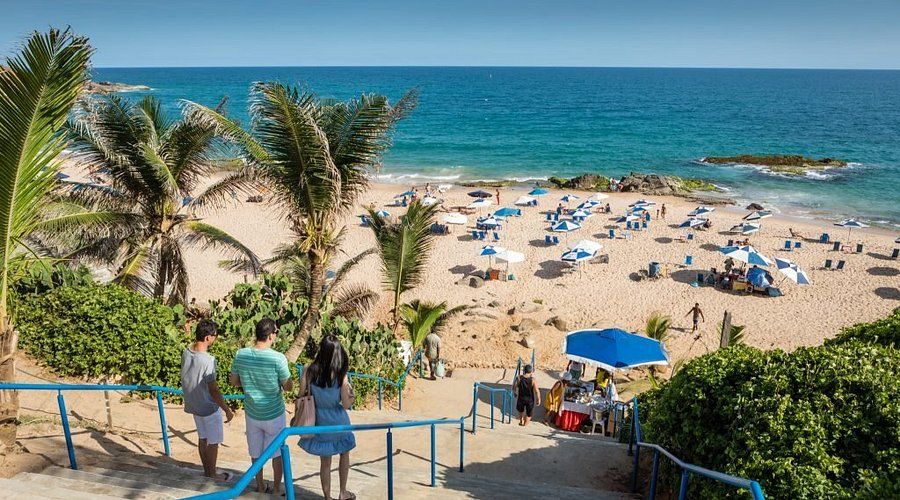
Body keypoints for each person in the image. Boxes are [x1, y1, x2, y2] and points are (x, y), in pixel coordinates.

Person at [230, 319, 293, 495]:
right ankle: (276, 489)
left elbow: (234, 381)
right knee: (277, 453)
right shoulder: (278, 358)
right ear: (271, 335)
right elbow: (288, 386)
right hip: (274, 412)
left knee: (256, 452)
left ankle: (259, 486)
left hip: (252, 411)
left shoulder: (240, 354)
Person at [298, 335, 357, 500]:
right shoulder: (340, 374)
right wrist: (351, 394)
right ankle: (343, 492)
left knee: (325, 461)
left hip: (318, 420)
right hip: (338, 420)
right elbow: (346, 404)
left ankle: (327, 496)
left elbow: (300, 394)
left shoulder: (308, 369)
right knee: (344, 453)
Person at [180, 320, 234, 481]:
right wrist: (226, 409)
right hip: (208, 406)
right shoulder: (208, 360)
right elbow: (214, 389)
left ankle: (207, 471)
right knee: (214, 442)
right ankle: (212, 475)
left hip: (194, 404)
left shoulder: (186, 352)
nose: (216, 338)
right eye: (215, 336)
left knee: (203, 438)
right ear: (208, 337)